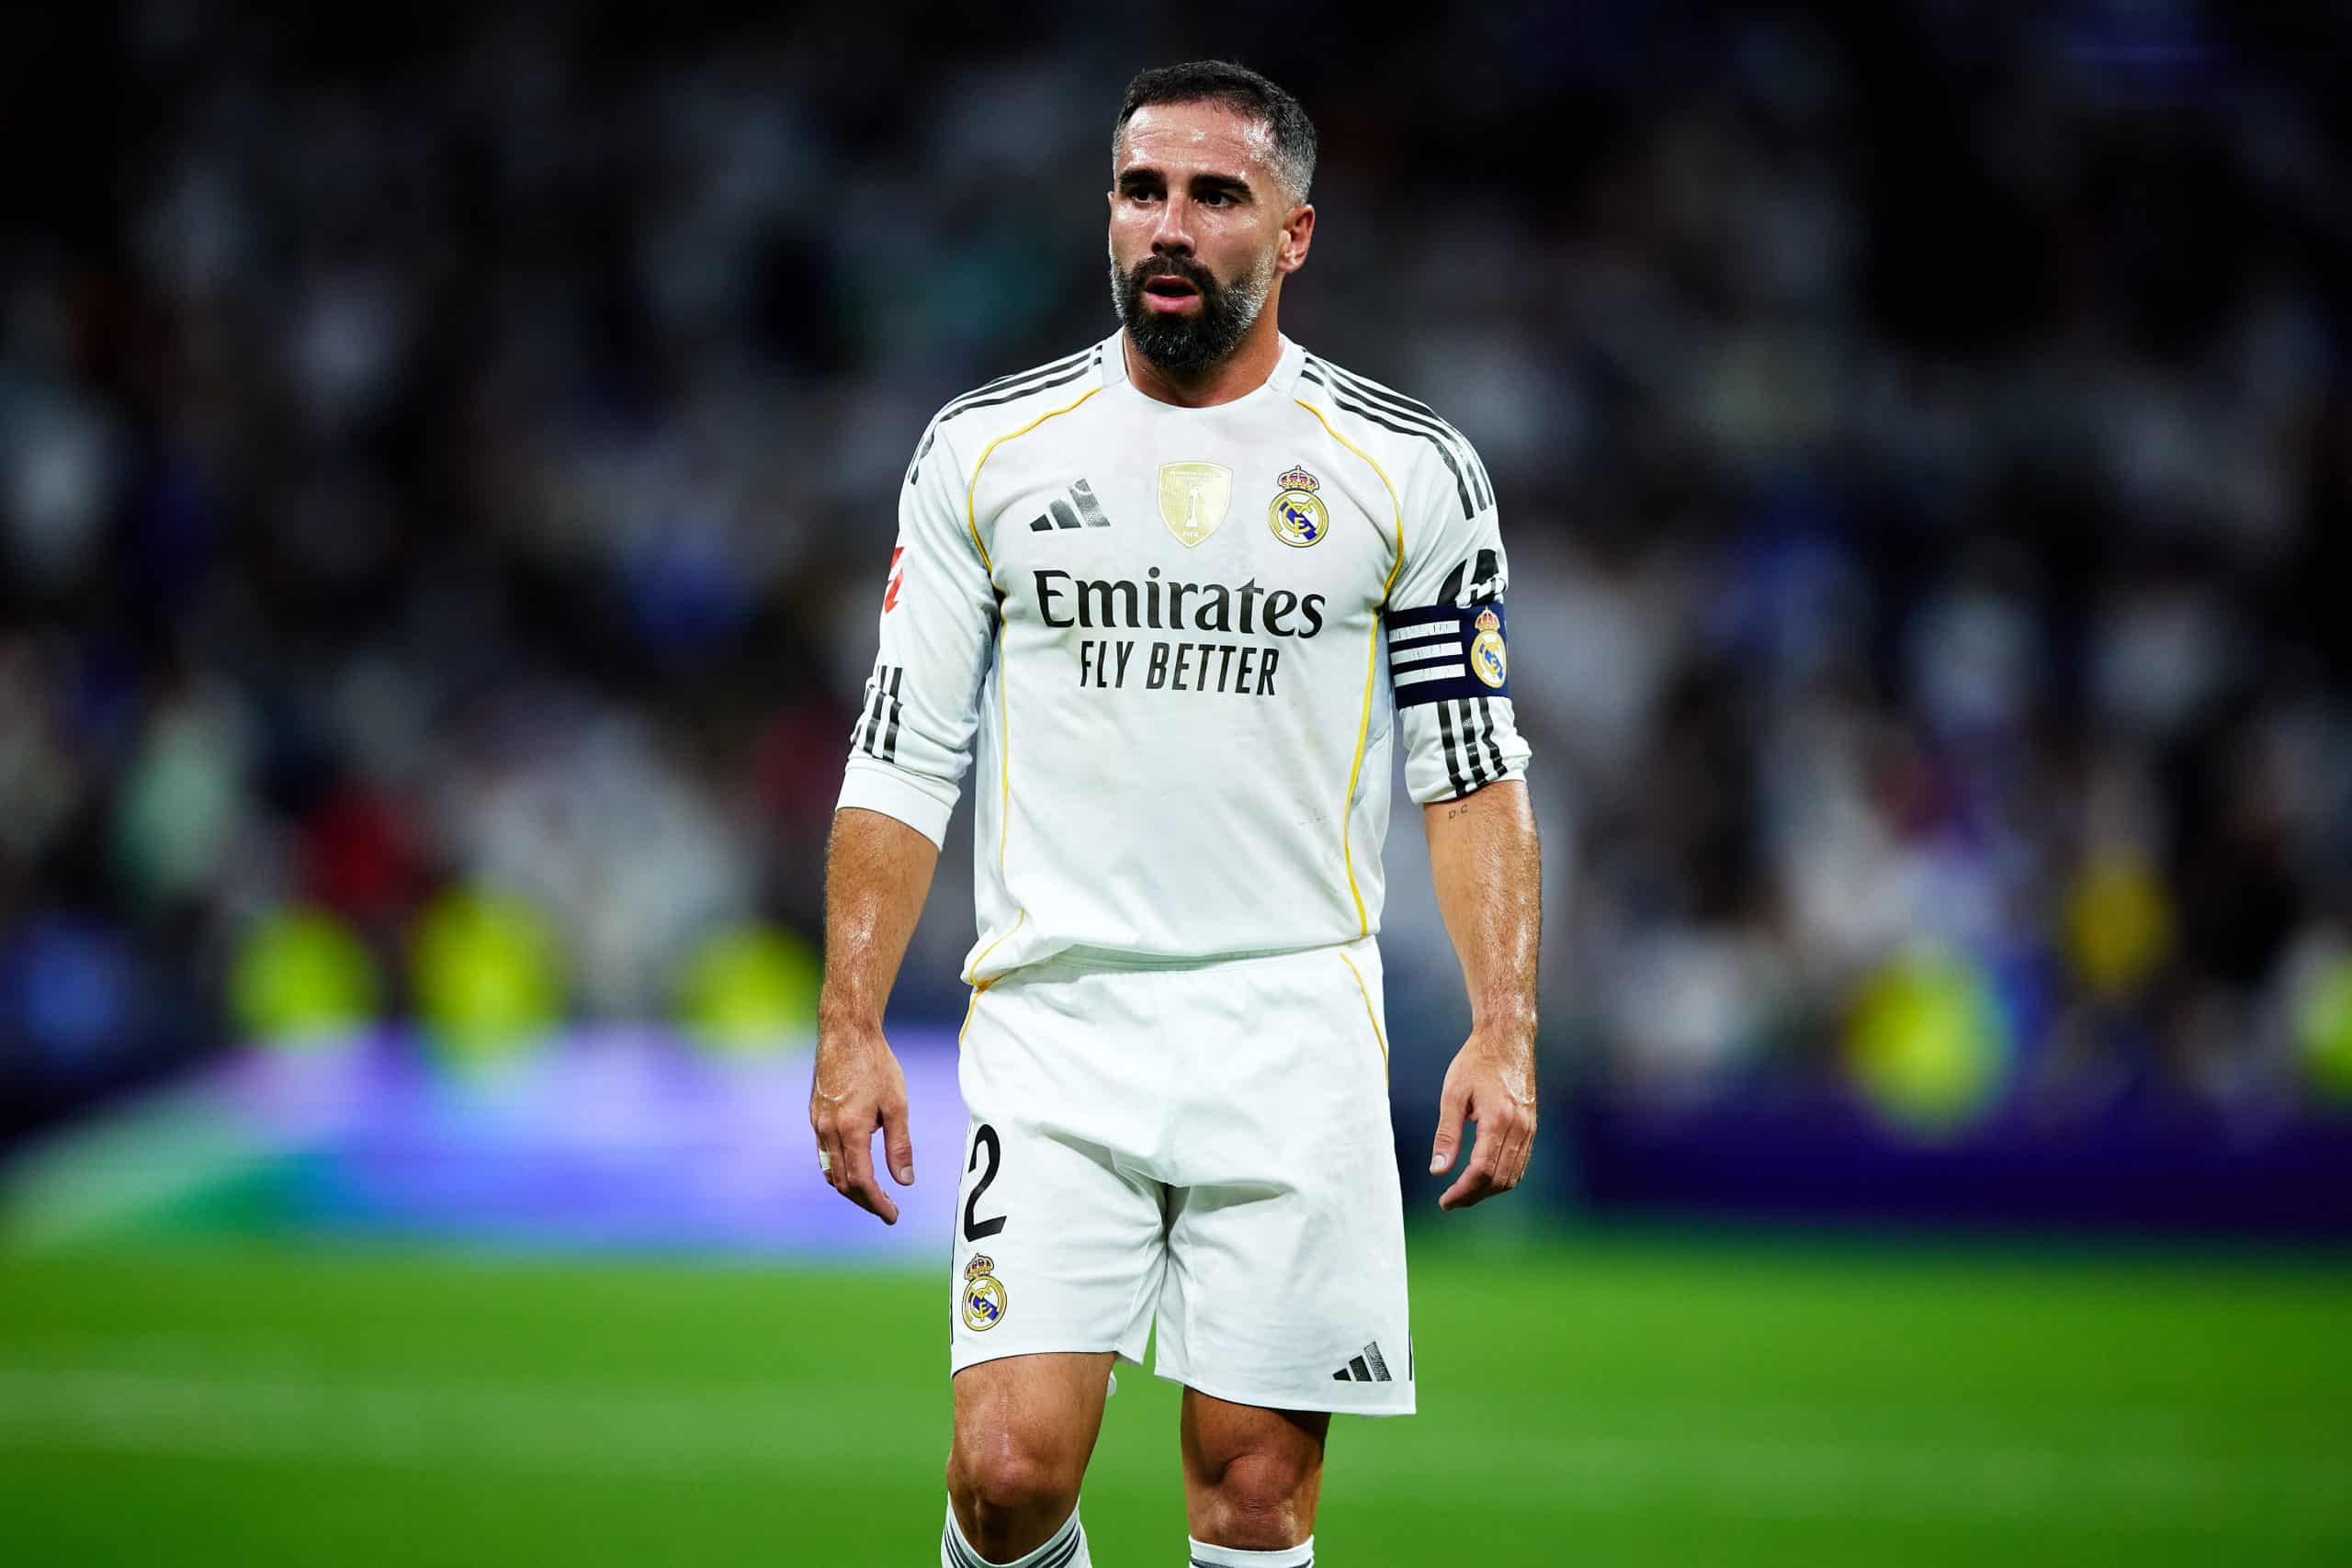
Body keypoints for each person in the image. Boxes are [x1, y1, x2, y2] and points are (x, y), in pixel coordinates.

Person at [812, 59, 1542, 1568]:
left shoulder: (1407, 470)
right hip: (1058, 1020)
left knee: (1253, 1494)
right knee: (1005, 1474)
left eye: (1216, 195)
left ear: (1295, 233)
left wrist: (1504, 1024)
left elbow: (1470, 766)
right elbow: (902, 748)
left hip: (1293, 1029)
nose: (1170, 224)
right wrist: (850, 1018)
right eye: (1142, 189)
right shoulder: (988, 451)